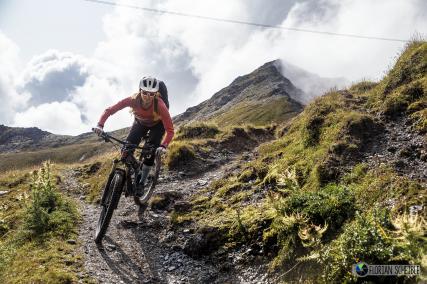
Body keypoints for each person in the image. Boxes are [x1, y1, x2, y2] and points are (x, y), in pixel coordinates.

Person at [93, 76, 174, 196]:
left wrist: (163, 145)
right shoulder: (132, 100)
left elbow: (170, 130)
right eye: (144, 92)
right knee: (126, 151)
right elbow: (110, 110)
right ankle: (136, 169)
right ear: (140, 91)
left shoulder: (160, 105)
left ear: (156, 94)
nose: (147, 96)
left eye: (151, 94)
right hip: (140, 123)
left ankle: (142, 182)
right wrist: (100, 125)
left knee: (150, 152)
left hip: (158, 125)